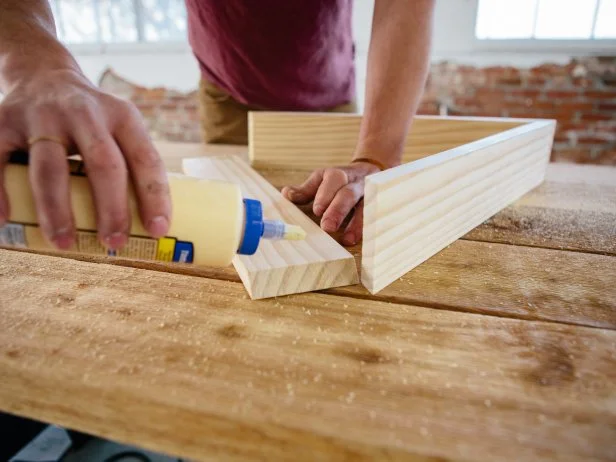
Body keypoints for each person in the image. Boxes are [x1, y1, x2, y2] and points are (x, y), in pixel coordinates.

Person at [0, 0, 434, 250]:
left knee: (339, 209)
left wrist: (375, 154)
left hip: (329, 93)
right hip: (224, 88)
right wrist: (42, 65)